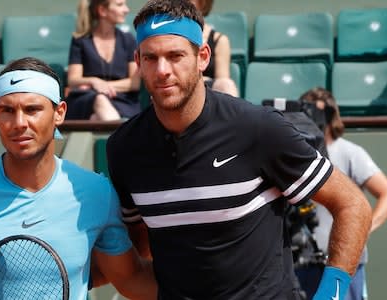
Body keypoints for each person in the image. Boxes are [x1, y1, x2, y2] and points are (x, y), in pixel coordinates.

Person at [106, 0, 372, 299]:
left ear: (202, 57)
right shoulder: (124, 148)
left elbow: (352, 204)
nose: (163, 70)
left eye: (175, 55)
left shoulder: (257, 128)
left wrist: (329, 294)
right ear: (138, 62)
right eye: (151, 58)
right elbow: (143, 247)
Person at [0, 57, 157, 300]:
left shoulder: (96, 193)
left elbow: (131, 279)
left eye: (32, 109)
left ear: (59, 113)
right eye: (7, 110)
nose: (19, 123)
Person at [296, 87, 387, 300]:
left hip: (342, 265)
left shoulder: (350, 152)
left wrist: (362, 229)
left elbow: (385, 192)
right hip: (301, 264)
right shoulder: (294, 152)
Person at [65, 0, 141, 121]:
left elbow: (135, 82)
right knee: (99, 99)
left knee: (95, 118)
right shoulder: (80, 40)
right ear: (102, 10)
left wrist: (102, 85)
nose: (126, 10)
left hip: (122, 100)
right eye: (120, 5)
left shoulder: (128, 39)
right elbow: (73, 79)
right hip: (86, 99)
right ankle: (118, 136)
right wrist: (94, 81)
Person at [189, 0, 239, 96]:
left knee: (226, 85)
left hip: (206, 93)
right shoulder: (166, 35)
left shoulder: (220, 40)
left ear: (203, 3)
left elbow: (223, 81)